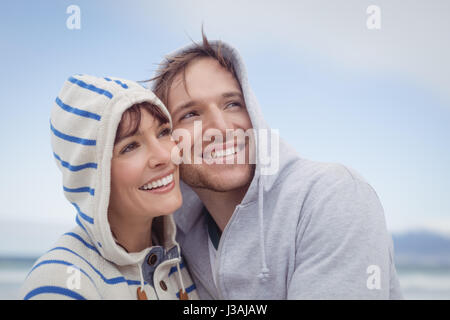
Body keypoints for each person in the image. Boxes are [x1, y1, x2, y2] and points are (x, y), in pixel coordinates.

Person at [150, 33, 403, 299]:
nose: (221, 128)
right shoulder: (175, 238)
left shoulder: (333, 196)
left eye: (233, 104)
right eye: (191, 114)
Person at [20, 75, 198, 300]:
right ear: (92, 175)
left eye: (163, 132)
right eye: (130, 146)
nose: (165, 155)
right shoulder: (61, 282)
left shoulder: (179, 260)